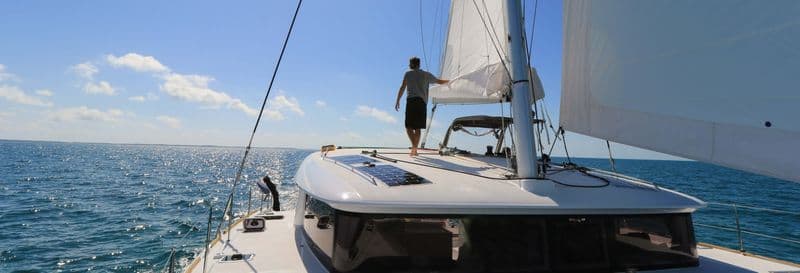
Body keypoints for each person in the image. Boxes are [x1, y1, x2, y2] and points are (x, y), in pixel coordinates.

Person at [395, 57, 449, 156]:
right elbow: (439, 81)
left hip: (411, 101)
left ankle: (414, 147)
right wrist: (451, 81)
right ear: (419, 64)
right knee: (418, 128)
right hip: (421, 103)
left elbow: (402, 87)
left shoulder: (408, 74)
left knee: (408, 127)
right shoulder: (426, 74)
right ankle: (415, 148)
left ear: (411, 64)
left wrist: (398, 100)